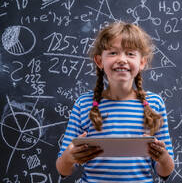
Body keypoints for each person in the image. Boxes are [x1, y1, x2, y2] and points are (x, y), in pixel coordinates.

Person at [56, 22, 175, 182]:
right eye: (113, 52)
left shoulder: (154, 103)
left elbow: (165, 171)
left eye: (130, 54)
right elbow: (63, 170)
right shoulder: (83, 104)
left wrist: (163, 158)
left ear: (142, 62)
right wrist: (69, 158)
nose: (122, 60)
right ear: (99, 61)